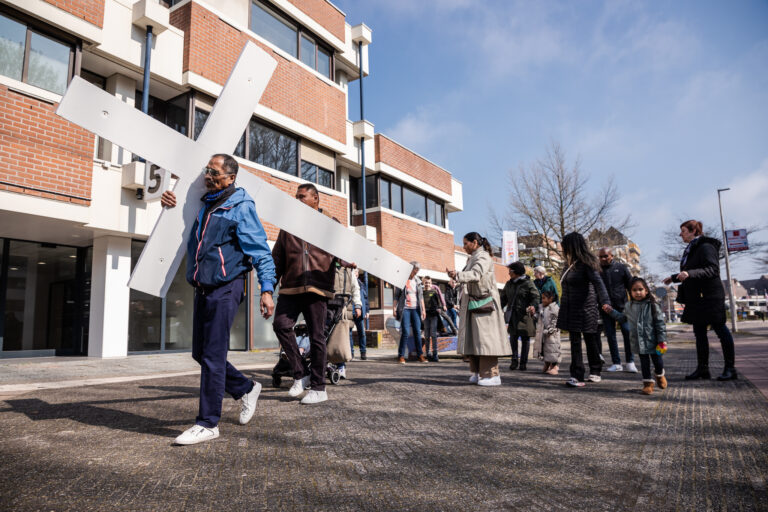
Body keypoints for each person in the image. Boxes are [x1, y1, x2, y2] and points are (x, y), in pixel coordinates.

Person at [160, 154, 276, 445]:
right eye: (206, 170)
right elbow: (183, 229)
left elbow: (260, 251)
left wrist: (267, 289)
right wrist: (169, 206)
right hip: (203, 287)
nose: (207, 176)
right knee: (200, 354)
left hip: (227, 286)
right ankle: (246, 388)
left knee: (213, 356)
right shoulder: (205, 204)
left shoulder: (240, 206)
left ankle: (208, 423)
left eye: (214, 172)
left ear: (230, 177)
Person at [272, 183, 354, 405]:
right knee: (280, 324)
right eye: (296, 197)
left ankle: (319, 387)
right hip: (291, 286)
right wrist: (267, 290)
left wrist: (347, 260)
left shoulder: (330, 224)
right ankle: (300, 373)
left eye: (302, 197)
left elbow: (343, 251)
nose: (297, 200)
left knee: (317, 336)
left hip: (317, 287)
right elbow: (277, 259)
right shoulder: (288, 225)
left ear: (316, 199)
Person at [663, 220, 737, 381]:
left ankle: (730, 369)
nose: (680, 234)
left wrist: (689, 274)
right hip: (697, 298)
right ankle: (703, 369)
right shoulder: (692, 248)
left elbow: (712, 269)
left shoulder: (705, 247)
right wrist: (674, 277)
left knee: (721, 330)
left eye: (683, 230)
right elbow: (691, 270)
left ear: (693, 231)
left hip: (710, 297)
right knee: (699, 333)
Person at [447, 232, 510, 386]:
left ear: (475, 242)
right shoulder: (475, 257)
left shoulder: (482, 257)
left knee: (485, 340)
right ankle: (478, 373)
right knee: (474, 339)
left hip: (483, 304)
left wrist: (458, 275)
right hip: (475, 304)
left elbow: (476, 274)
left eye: (466, 243)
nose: (464, 246)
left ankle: (492, 375)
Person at [557, 232, 611, 388]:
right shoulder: (568, 265)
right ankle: (576, 375)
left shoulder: (587, 263)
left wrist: (605, 302)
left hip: (586, 307)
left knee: (590, 339)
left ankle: (595, 370)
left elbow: (598, 283)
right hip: (570, 307)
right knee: (574, 341)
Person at [604, 277, 668, 395]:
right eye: (634, 290)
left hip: (654, 341)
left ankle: (659, 375)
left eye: (640, 289)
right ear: (630, 292)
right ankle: (648, 383)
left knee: (658, 362)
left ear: (646, 291)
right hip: (639, 341)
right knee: (644, 363)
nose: (638, 292)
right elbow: (623, 318)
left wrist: (662, 340)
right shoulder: (629, 306)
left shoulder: (653, 305)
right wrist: (611, 311)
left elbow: (660, 324)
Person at [597, 248, 637, 373]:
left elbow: (631, 285)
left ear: (612, 256)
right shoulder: (597, 270)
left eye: (605, 256)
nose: (603, 259)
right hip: (606, 308)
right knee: (610, 335)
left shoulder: (621, 268)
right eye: (600, 257)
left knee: (627, 332)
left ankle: (630, 362)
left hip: (623, 307)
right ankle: (616, 363)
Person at [501, 261, 540, 371]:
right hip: (513, 315)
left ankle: (523, 363)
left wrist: (533, 306)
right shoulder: (509, 284)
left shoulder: (528, 283)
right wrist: (497, 308)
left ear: (516, 272)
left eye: (510, 271)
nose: (509, 273)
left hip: (525, 316)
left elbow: (536, 296)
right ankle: (514, 361)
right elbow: (502, 298)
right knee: (513, 338)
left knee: (525, 339)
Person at [332, 263, 362, 380]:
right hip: (331, 306)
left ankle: (341, 365)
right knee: (329, 336)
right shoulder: (330, 266)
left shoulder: (349, 271)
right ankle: (330, 363)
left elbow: (355, 288)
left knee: (345, 337)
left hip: (346, 307)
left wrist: (358, 305)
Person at [394, 262, 427, 364]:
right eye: (414, 270)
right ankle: (401, 356)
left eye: (417, 270)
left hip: (416, 309)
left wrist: (423, 310)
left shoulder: (418, 282)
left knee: (417, 332)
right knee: (405, 332)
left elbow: (421, 297)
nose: (415, 272)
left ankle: (420, 355)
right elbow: (396, 296)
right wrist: (394, 308)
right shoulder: (402, 281)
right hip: (406, 309)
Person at [534, 290, 561, 375]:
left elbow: (555, 322)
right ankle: (547, 363)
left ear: (551, 299)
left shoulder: (554, 308)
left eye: (544, 298)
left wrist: (549, 330)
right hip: (544, 333)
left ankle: (555, 366)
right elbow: (538, 318)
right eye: (542, 298)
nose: (542, 300)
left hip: (552, 334)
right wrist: (532, 314)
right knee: (545, 349)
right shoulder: (542, 308)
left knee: (553, 349)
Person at [422, 275, 447, 362]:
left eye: (428, 283)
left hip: (434, 315)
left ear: (431, 283)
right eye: (425, 282)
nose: (427, 284)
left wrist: (440, 308)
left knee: (433, 334)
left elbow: (438, 302)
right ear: (423, 283)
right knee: (426, 335)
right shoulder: (421, 292)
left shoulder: (434, 291)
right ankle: (428, 353)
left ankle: (435, 354)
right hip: (425, 316)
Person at [350, 268, 368, 360]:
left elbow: (365, 298)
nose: (355, 273)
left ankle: (363, 352)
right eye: (354, 271)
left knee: (362, 332)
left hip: (360, 311)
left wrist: (367, 311)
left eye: (356, 272)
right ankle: (351, 353)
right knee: (349, 334)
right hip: (350, 310)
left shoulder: (361, 284)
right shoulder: (348, 282)